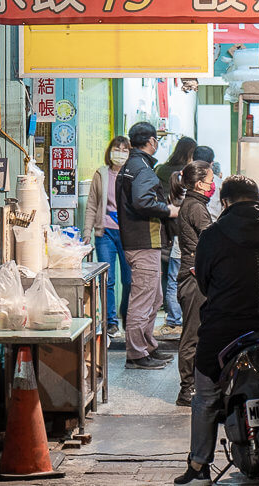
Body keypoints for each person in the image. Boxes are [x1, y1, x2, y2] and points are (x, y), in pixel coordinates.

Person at [174, 175, 259, 485]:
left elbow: (206, 286)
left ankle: (198, 467)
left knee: (206, 397)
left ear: (224, 202)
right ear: (258, 198)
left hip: (224, 332)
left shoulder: (212, 236)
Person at [117, 122, 180, 370]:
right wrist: (169, 211)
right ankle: (136, 354)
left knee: (154, 297)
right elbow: (142, 201)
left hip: (141, 241)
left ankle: (148, 346)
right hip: (144, 241)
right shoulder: (141, 168)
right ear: (152, 141)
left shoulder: (131, 166)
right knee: (143, 300)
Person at [173, 160, 215, 407]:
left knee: (198, 333)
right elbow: (210, 238)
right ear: (199, 184)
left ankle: (195, 385)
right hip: (193, 278)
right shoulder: (196, 207)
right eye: (210, 181)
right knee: (192, 335)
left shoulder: (193, 203)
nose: (213, 185)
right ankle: (186, 390)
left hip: (195, 276)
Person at [83, 136, 132, 338]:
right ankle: (110, 322)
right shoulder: (101, 174)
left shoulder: (132, 175)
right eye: (116, 148)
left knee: (129, 280)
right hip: (105, 233)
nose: (119, 153)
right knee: (108, 279)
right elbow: (92, 204)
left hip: (129, 234)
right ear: (110, 151)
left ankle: (128, 318)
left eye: (124, 149)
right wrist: (87, 231)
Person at [155, 136, 197, 336]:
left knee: (170, 277)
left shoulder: (161, 169)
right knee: (177, 278)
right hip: (181, 233)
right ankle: (177, 318)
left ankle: (172, 317)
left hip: (164, 229)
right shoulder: (186, 175)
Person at [192, 145, 222, 219]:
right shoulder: (220, 183)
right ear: (211, 163)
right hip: (212, 226)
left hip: (188, 226)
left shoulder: (182, 179)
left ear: (192, 160)